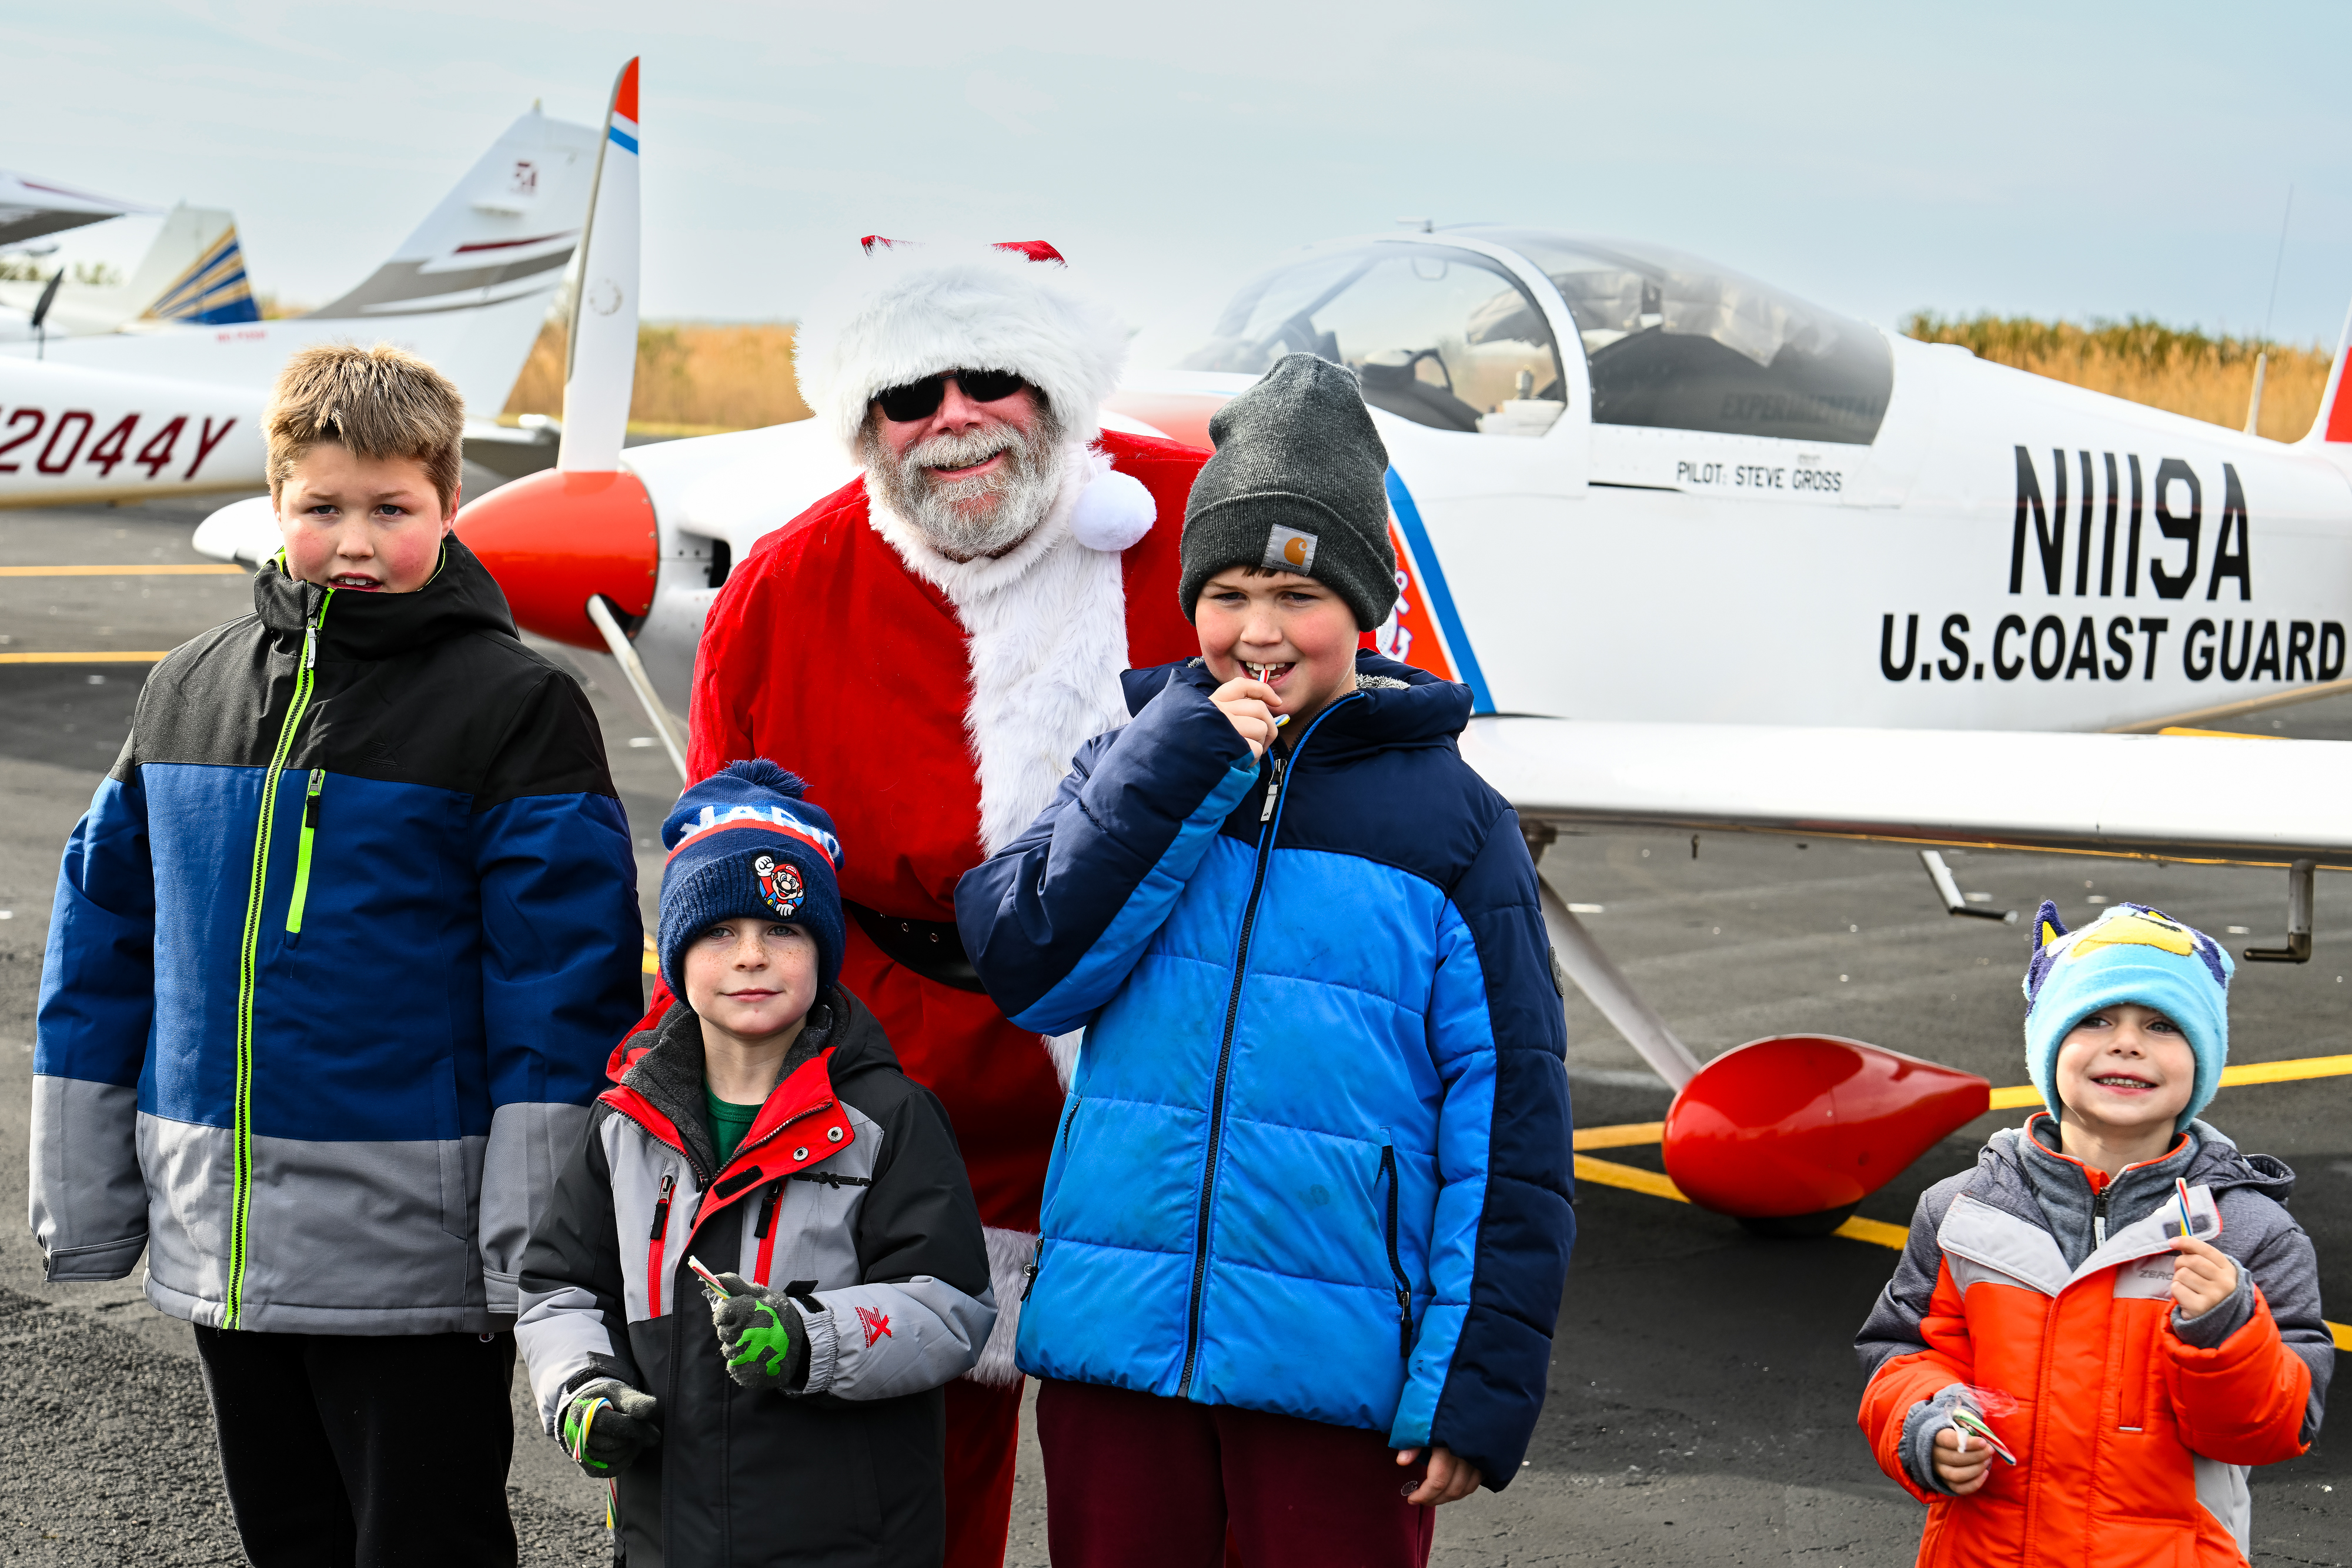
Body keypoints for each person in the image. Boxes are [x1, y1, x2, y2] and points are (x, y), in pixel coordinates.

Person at [634, 235, 1210, 1565]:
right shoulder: (781, 586)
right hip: (900, 1074)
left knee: (1160, 1471)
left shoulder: (1190, 525)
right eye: (909, 393)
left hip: (1154, 1058)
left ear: (1056, 386)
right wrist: (695, 1108)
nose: (952, 417)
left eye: (992, 377)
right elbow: (718, 891)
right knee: (898, 1481)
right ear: (862, 423)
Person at [954, 354, 1577, 1566]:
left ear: (1366, 607)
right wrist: (1175, 758)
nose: (1256, 631)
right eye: (1227, 592)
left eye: (1297, 595)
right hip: (1119, 1354)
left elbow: (1511, 1130)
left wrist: (1471, 1383)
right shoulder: (1134, 760)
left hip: (1337, 1374)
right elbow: (1027, 962)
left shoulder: (1454, 826)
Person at [31, 342, 642, 1564]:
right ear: (275, 503)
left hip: (415, 1261)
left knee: (426, 1542)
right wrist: (91, 1194)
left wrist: (535, 1253)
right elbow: (99, 938)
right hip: (229, 1240)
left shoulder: (515, 707)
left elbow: (561, 994)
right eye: (322, 508)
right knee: (289, 1539)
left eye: (390, 509)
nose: (354, 540)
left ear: (451, 505)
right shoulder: (186, 689)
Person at [517, 760, 995, 1567]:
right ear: (675, 955)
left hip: (847, 1544)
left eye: (783, 928)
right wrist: (582, 1390)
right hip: (666, 1537)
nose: (751, 956)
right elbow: (561, 1288)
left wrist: (810, 1337)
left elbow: (950, 1309)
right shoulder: (622, 1125)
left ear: (822, 951)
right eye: (719, 931)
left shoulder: (890, 1118)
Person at [1856, 900, 2331, 1567]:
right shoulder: (1958, 1211)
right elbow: (1901, 1355)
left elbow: (2273, 1428)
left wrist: (2225, 1334)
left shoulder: (2250, 1234)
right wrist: (1925, 1422)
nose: (2126, 1042)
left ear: (2203, 1061)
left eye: (2163, 1024)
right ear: (2047, 1047)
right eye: (2094, 1018)